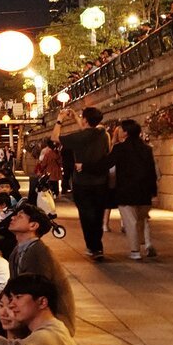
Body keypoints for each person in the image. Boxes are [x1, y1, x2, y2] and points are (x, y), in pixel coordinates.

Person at [6, 203, 77, 334]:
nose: (12, 218)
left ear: (33, 226)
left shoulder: (38, 253)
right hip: (32, 313)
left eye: (20, 216)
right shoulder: (18, 250)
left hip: (51, 322)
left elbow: (35, 294)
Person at [52, 107, 111, 260]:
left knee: (86, 215)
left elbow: (55, 137)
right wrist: (76, 118)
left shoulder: (80, 137)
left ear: (85, 120)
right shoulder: (103, 135)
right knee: (98, 215)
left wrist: (60, 119)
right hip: (100, 181)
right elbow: (87, 130)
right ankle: (97, 247)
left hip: (82, 181)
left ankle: (93, 247)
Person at [95, 120, 159, 261]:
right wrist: (153, 191)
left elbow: (106, 164)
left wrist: (87, 165)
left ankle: (135, 251)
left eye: (122, 129)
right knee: (142, 220)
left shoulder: (120, 149)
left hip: (126, 191)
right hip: (144, 192)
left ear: (126, 132)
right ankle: (146, 245)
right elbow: (151, 172)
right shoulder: (147, 149)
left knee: (131, 222)